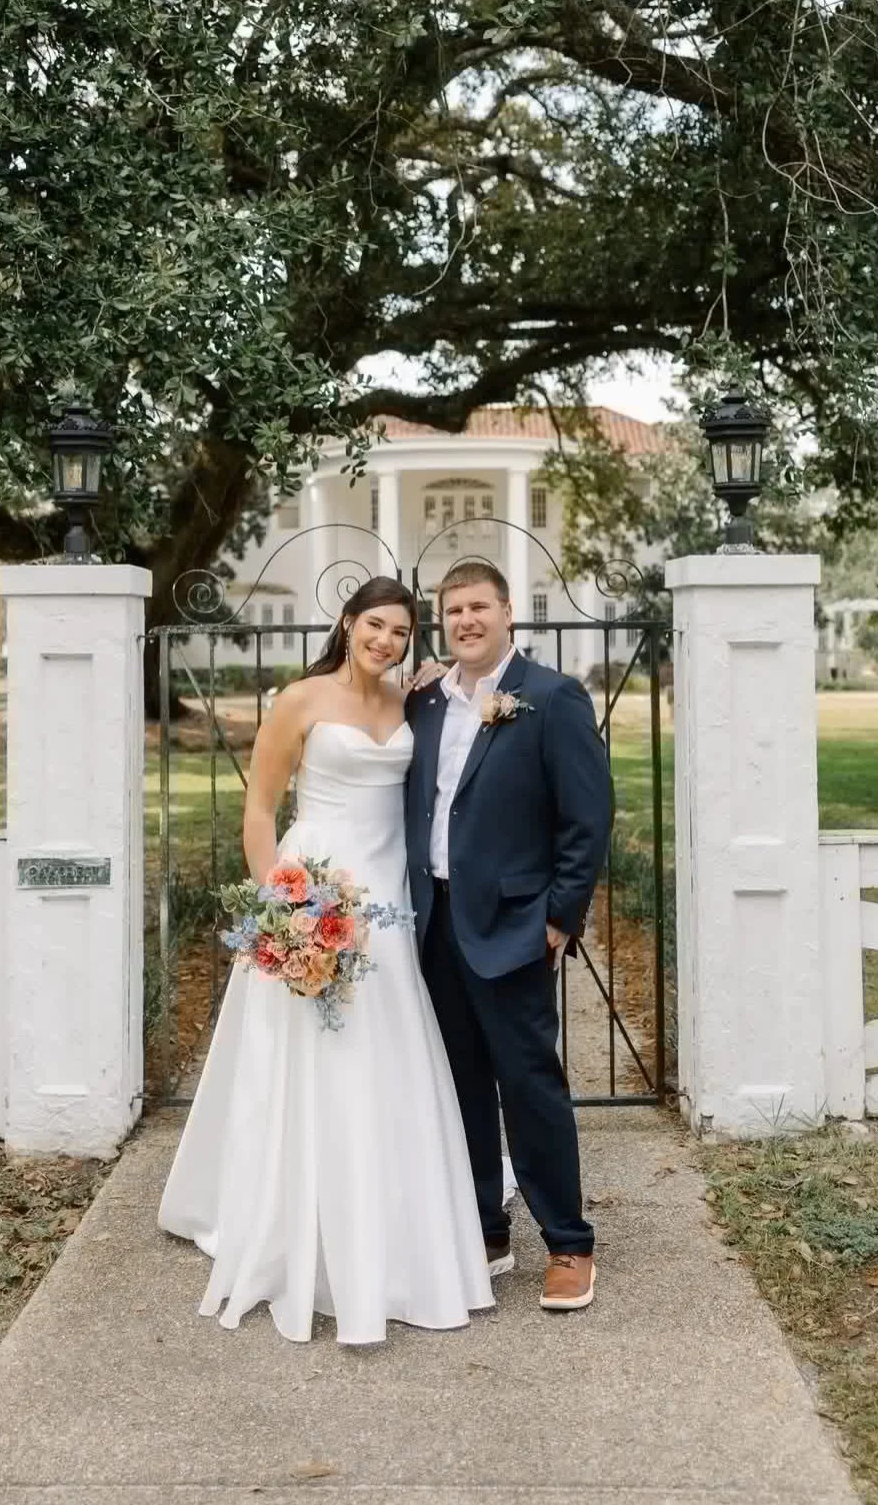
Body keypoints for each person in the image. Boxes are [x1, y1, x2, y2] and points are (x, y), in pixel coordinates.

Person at [157, 577, 493, 1345]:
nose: (386, 640)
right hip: (312, 890)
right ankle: (292, 1220)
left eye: (401, 632)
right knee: (306, 1059)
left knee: (389, 1054)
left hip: (390, 904)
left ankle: (392, 1223)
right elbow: (258, 806)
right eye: (375, 625)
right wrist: (280, 906)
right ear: (347, 623)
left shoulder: (411, 701)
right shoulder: (300, 699)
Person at [405, 558, 611, 1312]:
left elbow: (586, 818)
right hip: (433, 924)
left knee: (528, 1084)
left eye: (478, 608)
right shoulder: (424, 701)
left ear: (507, 614)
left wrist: (560, 916)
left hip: (516, 923)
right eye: (453, 610)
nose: (465, 621)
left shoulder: (550, 698)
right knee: (457, 1083)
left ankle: (568, 1243)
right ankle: (484, 1227)